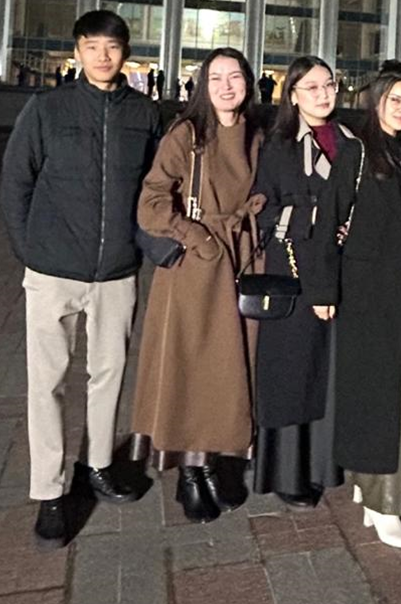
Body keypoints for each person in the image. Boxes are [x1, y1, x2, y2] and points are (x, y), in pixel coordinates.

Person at [0, 10, 162, 549]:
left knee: (109, 372)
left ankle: (97, 466)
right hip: (52, 270)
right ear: (77, 52)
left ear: (126, 53)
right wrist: (31, 251)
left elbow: (154, 189)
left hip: (116, 271)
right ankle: (49, 490)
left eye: (111, 47)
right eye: (92, 46)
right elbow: (16, 181)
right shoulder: (48, 108)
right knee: (46, 382)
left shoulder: (144, 113)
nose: (102, 56)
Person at [130, 47, 264, 523]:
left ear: (249, 82)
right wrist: (196, 236)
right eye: (216, 78)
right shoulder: (187, 134)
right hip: (197, 265)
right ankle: (191, 470)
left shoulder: (256, 134)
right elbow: (151, 202)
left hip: (242, 258)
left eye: (235, 76)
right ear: (203, 86)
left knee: (232, 367)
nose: (227, 86)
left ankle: (220, 459)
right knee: (192, 366)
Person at [314, 65, 401, 548]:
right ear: (376, 100)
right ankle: (385, 504)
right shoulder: (357, 152)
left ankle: (366, 486)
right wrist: (324, 291)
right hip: (364, 292)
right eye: (395, 100)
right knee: (386, 398)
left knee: (374, 394)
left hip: (396, 294)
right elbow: (328, 221)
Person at [253, 56, 350, 508]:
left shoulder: (349, 141)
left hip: (339, 271)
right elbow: (262, 209)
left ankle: (323, 464)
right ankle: (288, 472)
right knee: (292, 371)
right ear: (292, 94)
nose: (322, 94)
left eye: (328, 85)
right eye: (311, 87)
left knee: (327, 370)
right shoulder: (278, 146)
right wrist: (316, 217)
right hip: (292, 269)